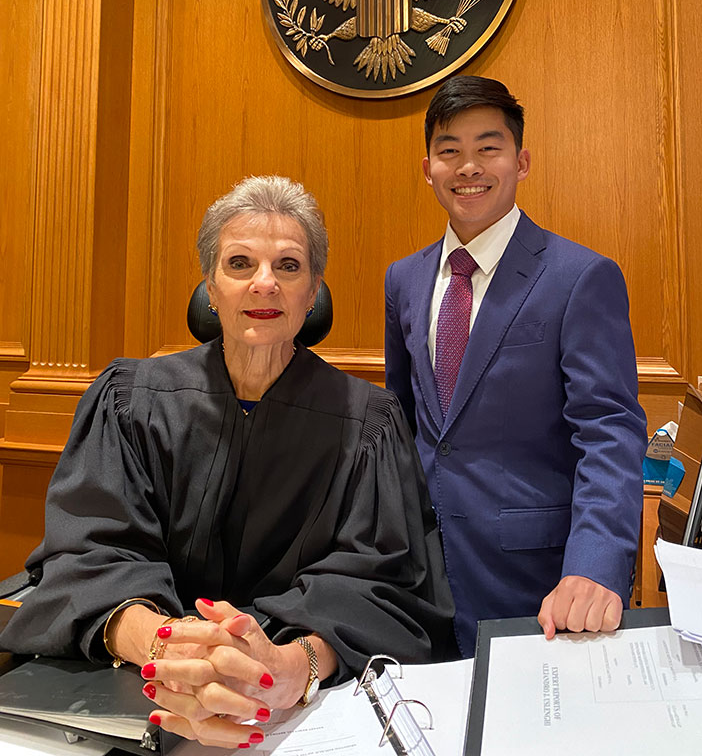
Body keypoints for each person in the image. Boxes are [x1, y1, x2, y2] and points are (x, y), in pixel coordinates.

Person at [0, 175, 454, 749]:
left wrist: (292, 667)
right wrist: (172, 646)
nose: (265, 283)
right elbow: (91, 550)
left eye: (288, 267)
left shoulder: (369, 424)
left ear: (313, 291)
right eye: (240, 263)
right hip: (131, 691)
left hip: (294, 714)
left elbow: (383, 585)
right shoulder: (129, 400)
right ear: (210, 289)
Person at [384, 76, 647, 657]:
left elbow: (609, 430)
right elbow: (400, 422)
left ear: (521, 161)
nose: (468, 166)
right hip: (419, 575)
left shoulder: (579, 276)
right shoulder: (404, 278)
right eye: (449, 150)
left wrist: (597, 565)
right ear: (427, 167)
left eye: (489, 148)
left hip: (541, 582)